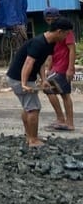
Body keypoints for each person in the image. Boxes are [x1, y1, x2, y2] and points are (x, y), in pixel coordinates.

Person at [6, 17, 73, 146]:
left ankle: (30, 135)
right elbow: (28, 63)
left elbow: (40, 62)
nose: (66, 37)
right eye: (66, 33)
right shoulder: (39, 43)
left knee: (28, 107)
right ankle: (33, 140)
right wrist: (24, 83)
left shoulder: (49, 43)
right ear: (59, 31)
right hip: (18, 77)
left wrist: (43, 79)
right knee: (34, 108)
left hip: (21, 77)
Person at [42, 8, 77, 132]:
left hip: (63, 67)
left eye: (53, 19)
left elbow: (72, 50)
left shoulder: (66, 32)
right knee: (60, 93)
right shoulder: (51, 32)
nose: (51, 21)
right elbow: (51, 53)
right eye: (48, 19)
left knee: (55, 91)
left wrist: (70, 68)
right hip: (55, 67)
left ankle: (66, 121)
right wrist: (48, 68)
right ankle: (63, 120)